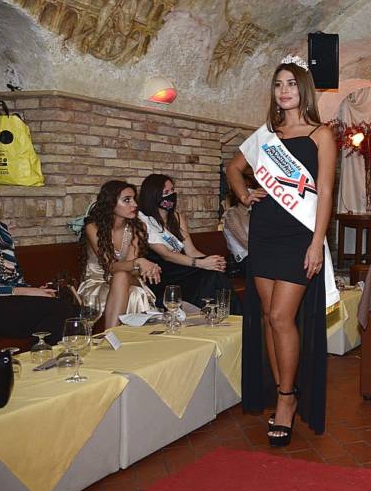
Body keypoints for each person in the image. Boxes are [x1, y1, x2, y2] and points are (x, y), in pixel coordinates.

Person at [225, 54, 337, 445]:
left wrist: (317, 243)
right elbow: (232, 168)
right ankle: (281, 389)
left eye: (290, 83)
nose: (283, 91)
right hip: (265, 233)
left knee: (280, 316)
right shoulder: (266, 135)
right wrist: (244, 194)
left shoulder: (321, 134)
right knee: (270, 319)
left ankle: (287, 399)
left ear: (303, 89)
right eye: (278, 84)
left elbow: (325, 193)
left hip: (299, 235)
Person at [0, 162, 75, 343]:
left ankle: (39, 354)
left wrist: (34, 291)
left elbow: (13, 274)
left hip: (6, 302)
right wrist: (23, 292)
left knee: (67, 307)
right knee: (59, 310)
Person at [137, 173, 230, 308]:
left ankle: (225, 315)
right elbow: (166, 255)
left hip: (181, 266)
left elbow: (191, 251)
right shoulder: (144, 221)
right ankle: (222, 313)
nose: (171, 195)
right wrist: (201, 263)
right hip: (162, 272)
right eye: (166, 192)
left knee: (214, 272)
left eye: (172, 190)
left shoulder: (177, 217)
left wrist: (212, 261)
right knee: (209, 276)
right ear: (153, 195)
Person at [78, 180, 161, 328]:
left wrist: (148, 268)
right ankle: (114, 334)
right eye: (127, 200)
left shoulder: (138, 227)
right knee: (134, 292)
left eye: (134, 199)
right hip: (98, 282)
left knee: (122, 276)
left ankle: (110, 335)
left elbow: (131, 271)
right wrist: (138, 263)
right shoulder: (93, 228)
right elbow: (110, 267)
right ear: (110, 203)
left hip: (127, 278)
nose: (135, 204)